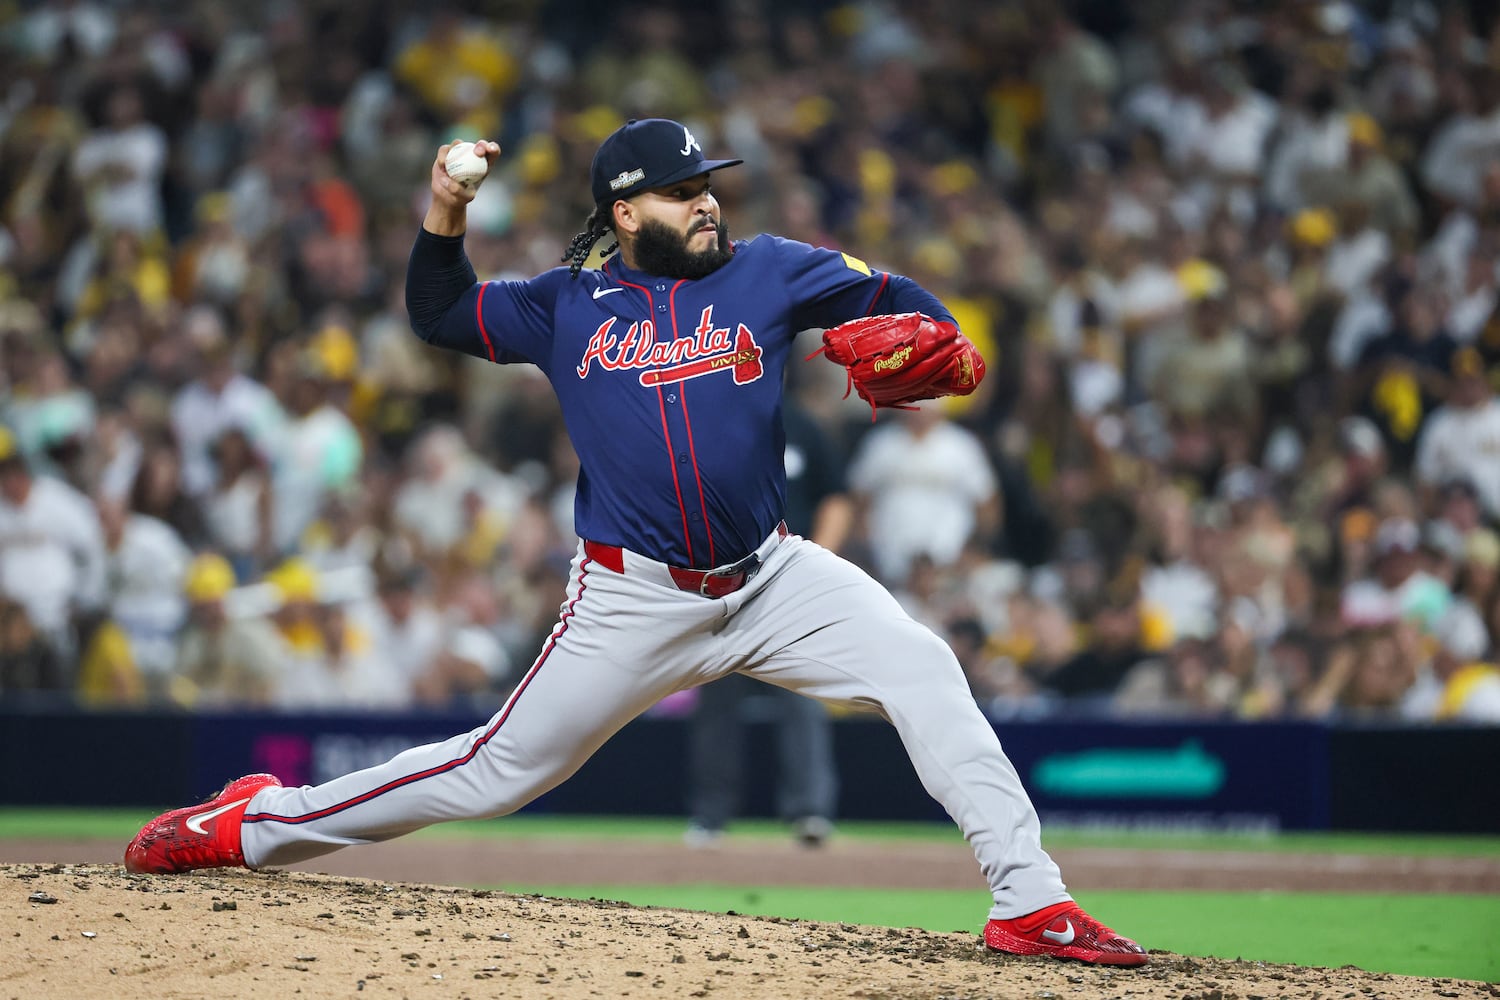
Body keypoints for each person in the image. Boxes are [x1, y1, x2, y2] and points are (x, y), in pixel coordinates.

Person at [124, 119, 1148, 967]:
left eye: (709, 183)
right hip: (632, 597)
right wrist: (445, 209)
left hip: (773, 574)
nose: (706, 200)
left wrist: (940, 337)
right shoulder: (565, 305)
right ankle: (252, 823)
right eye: (679, 189)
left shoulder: (773, 273)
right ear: (623, 213)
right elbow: (435, 311)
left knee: (923, 665)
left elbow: (902, 305)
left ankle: (1031, 901)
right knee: (492, 772)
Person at [684, 396, 847, 848]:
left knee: (803, 696)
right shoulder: (710, 421)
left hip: (790, 587)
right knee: (717, 703)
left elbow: (836, 498)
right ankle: (710, 814)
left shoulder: (802, 425)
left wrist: (819, 562)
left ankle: (810, 811)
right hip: (726, 587)